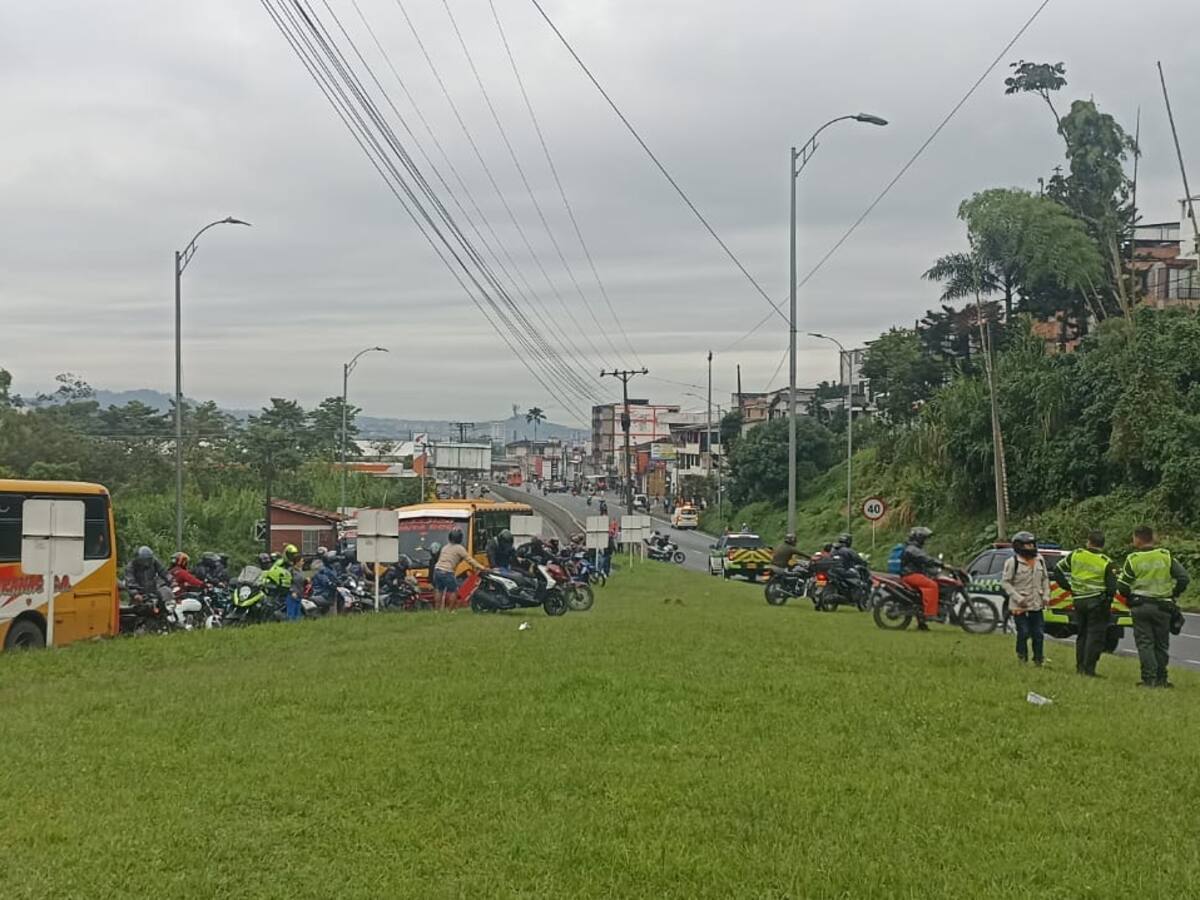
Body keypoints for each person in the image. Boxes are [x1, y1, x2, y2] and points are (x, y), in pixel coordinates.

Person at [1118, 525, 1190, 688]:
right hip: (1164, 606)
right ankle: (1162, 678)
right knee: (1161, 644)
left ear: (1137, 538)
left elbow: (1122, 586)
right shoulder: (1165, 556)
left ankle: (1149, 679)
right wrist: (1173, 594)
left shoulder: (1133, 559)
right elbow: (1183, 578)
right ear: (1153, 538)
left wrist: (1130, 598)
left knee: (1145, 643)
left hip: (1141, 606)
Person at [1054, 530, 1118, 677]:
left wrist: (1068, 587)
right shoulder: (1106, 562)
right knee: (1094, 636)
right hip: (1097, 602)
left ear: (1088, 542)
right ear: (1103, 545)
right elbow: (1112, 588)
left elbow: (1058, 569)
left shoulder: (1076, 555)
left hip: (1079, 600)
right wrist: (1107, 601)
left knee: (1082, 635)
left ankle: (1080, 667)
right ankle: (1089, 670)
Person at [1002, 531, 1051, 666]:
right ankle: (1022, 658)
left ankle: (1038, 660)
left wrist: (1046, 595)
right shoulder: (1013, 562)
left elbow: (1045, 579)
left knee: (1038, 634)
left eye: (1032, 544)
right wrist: (1017, 598)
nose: (1030, 547)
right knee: (1023, 632)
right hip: (1020, 605)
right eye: (1027, 545)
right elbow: (1006, 582)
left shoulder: (1040, 560)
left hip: (1036, 603)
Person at [432, 527, 486, 611]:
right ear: (460, 538)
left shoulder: (445, 547)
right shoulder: (459, 548)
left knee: (439, 590)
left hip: (437, 570)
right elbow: (470, 560)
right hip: (448, 571)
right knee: (454, 591)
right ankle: (451, 611)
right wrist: (482, 568)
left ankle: (437, 610)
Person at [900, 527, 941, 631]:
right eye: (924, 538)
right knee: (932, 585)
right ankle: (930, 613)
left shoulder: (913, 548)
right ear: (918, 538)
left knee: (921, 595)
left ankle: (922, 624)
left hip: (913, 573)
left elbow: (924, 561)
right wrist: (941, 564)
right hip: (910, 575)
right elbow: (925, 559)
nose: (925, 541)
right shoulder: (912, 549)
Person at [124, 546, 174, 611]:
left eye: (148, 560)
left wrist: (171, 580)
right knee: (137, 613)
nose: (146, 563)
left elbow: (163, 572)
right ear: (138, 559)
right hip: (139, 595)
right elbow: (130, 581)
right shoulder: (131, 567)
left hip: (153, 593)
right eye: (144, 560)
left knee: (163, 609)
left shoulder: (154, 562)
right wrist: (135, 594)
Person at [263, 544, 304, 621]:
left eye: (293, 555)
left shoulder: (294, 567)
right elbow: (272, 571)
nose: (292, 557)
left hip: (291, 589)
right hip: (280, 585)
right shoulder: (280, 562)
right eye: (290, 555)